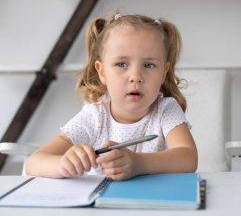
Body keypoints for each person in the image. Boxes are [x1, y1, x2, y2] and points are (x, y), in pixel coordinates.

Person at [25, 12, 198, 180]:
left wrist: (138, 163)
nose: (136, 76)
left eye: (149, 65)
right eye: (121, 64)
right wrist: (63, 164)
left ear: (163, 73)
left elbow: (188, 158)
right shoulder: (94, 117)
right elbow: (34, 162)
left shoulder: (165, 110)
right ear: (102, 72)